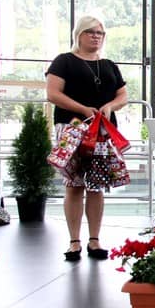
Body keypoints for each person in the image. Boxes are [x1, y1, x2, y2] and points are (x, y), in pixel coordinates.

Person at [45, 14, 128, 261]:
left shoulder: (109, 65)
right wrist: (82, 109)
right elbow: (53, 93)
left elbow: (123, 95)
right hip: (72, 129)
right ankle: (74, 241)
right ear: (78, 35)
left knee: (96, 184)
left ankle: (94, 239)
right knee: (74, 184)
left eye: (99, 33)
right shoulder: (64, 61)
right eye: (90, 32)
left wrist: (110, 106)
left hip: (102, 132)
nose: (96, 36)